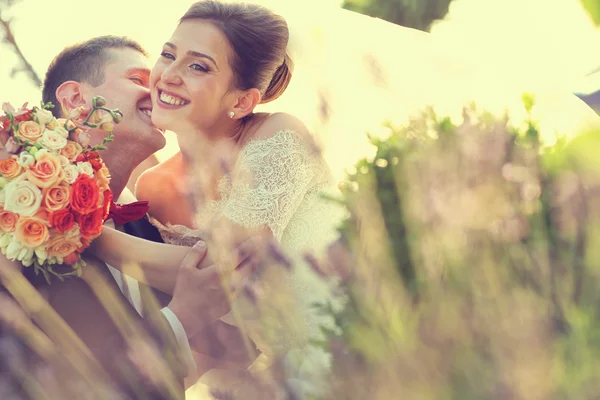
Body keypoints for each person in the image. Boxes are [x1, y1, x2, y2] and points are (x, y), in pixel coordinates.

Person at [79, 1, 345, 397]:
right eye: (168, 55)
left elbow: (225, 266)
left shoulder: (280, 136)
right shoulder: (152, 187)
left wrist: (85, 232)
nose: (168, 76)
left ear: (241, 101)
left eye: (198, 66)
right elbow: (205, 307)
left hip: (344, 350)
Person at [0, 35, 255, 399]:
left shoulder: (152, 230)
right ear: (74, 100)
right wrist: (181, 320)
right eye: (139, 80)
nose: (160, 92)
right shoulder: (12, 213)